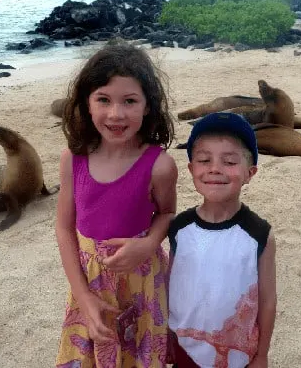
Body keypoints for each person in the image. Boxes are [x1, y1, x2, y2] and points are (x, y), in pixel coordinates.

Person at [55, 43, 178, 368]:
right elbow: (64, 227)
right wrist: (83, 297)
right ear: (86, 103)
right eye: (104, 99)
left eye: (130, 101)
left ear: (148, 106)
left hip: (141, 279)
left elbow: (167, 213)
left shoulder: (160, 165)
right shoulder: (72, 159)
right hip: (88, 282)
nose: (116, 114)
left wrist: (149, 243)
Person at [168, 112, 277, 368]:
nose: (215, 168)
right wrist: (165, 336)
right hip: (184, 347)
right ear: (192, 169)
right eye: (204, 160)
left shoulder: (259, 234)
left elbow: (267, 300)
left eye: (229, 161)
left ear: (250, 173)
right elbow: (170, 285)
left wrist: (261, 355)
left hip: (237, 354)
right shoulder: (178, 228)